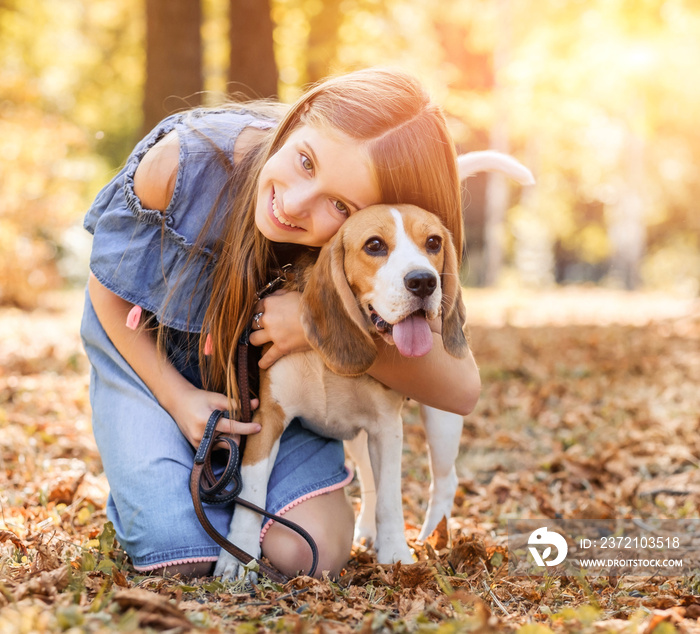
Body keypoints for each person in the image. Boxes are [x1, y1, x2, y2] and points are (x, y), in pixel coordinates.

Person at [80, 67, 481, 580]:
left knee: (311, 556)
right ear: (298, 118)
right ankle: (153, 482)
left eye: (341, 205)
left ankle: (209, 492)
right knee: (177, 559)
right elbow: (106, 289)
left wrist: (311, 322)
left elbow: (463, 390)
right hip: (146, 352)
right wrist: (177, 399)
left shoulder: (371, 257)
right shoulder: (184, 160)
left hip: (260, 388)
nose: (293, 204)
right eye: (305, 161)